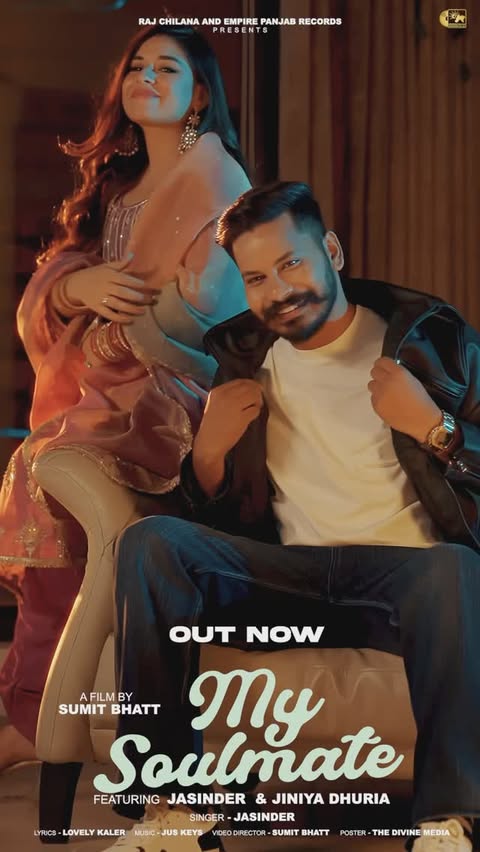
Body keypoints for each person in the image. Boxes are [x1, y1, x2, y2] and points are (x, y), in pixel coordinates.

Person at [107, 181, 480, 852]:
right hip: (289, 578)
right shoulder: (241, 356)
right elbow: (218, 514)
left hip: (408, 584)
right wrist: (209, 455)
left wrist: (437, 429)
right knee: (151, 542)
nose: (278, 290)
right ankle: (172, 813)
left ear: (331, 251)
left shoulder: (433, 339)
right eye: (256, 278)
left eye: (291, 263)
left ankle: (447, 823)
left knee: (453, 568)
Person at [0, 24, 250, 772]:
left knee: (58, 461)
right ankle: (34, 715)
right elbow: (53, 289)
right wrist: (75, 286)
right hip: (93, 393)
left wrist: (120, 333)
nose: (146, 76)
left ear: (199, 95)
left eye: (167, 67)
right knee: (48, 472)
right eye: (137, 65)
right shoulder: (113, 190)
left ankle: (41, 725)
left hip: (172, 395)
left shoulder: (219, 183)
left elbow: (214, 313)